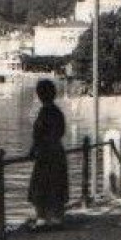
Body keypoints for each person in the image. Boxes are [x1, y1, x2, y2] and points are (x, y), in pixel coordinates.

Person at [26, 78, 69, 229]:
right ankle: (57, 218)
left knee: (40, 185)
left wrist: (33, 149)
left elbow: (38, 134)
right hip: (57, 151)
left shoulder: (44, 112)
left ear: (40, 94)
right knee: (56, 184)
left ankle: (42, 220)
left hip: (45, 153)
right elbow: (61, 131)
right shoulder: (58, 112)